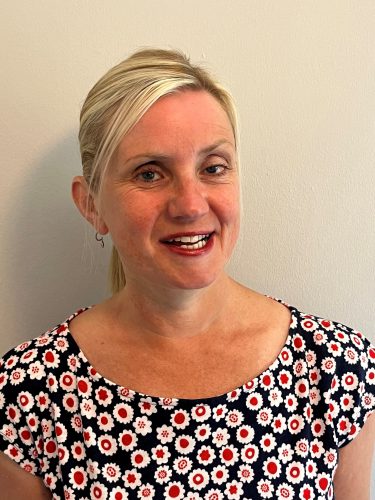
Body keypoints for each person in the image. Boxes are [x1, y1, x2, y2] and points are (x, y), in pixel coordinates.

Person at [0, 48, 374, 500]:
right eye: (150, 173)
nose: (192, 205)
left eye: (213, 168)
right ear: (91, 204)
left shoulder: (337, 368)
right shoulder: (27, 393)